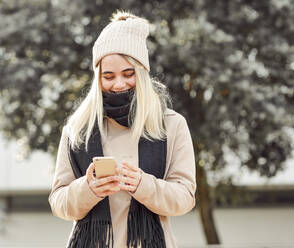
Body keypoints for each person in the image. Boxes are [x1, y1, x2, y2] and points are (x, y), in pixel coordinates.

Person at [48, 10, 196, 248]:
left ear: (142, 73)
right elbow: (58, 202)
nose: (119, 84)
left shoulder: (171, 124)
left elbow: (185, 198)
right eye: (108, 76)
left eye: (128, 74)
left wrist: (142, 185)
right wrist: (89, 189)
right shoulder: (77, 129)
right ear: (98, 80)